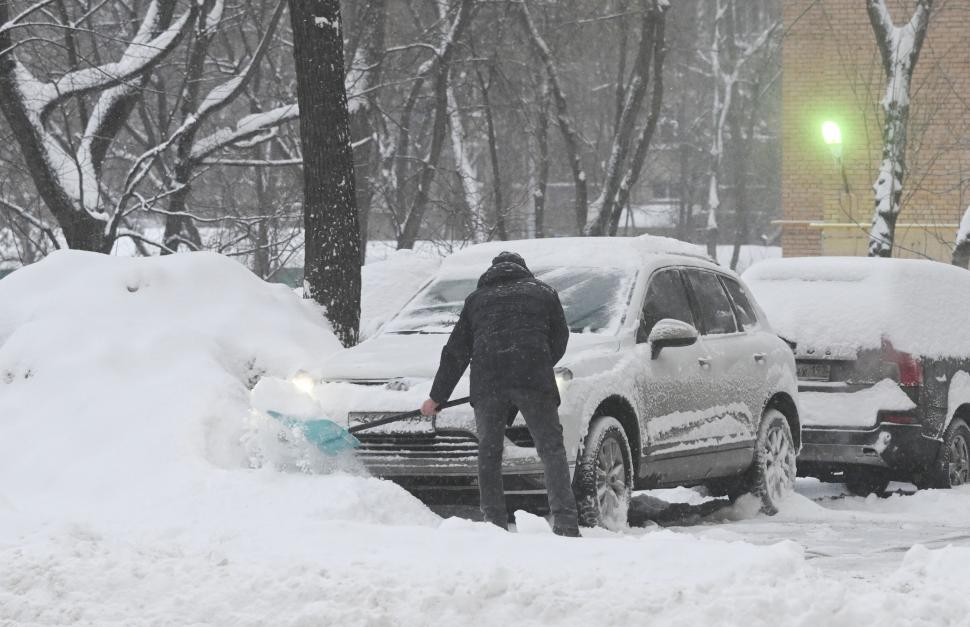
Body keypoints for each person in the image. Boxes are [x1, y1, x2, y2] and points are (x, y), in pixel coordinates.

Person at [420, 251, 580, 537]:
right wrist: (537, 363)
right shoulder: (544, 293)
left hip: (488, 383)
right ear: (523, 270)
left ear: (492, 273)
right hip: (534, 380)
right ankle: (566, 522)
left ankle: (493, 523)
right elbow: (560, 338)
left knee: (489, 452)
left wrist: (437, 398)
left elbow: (456, 352)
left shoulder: (477, 300)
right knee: (551, 449)